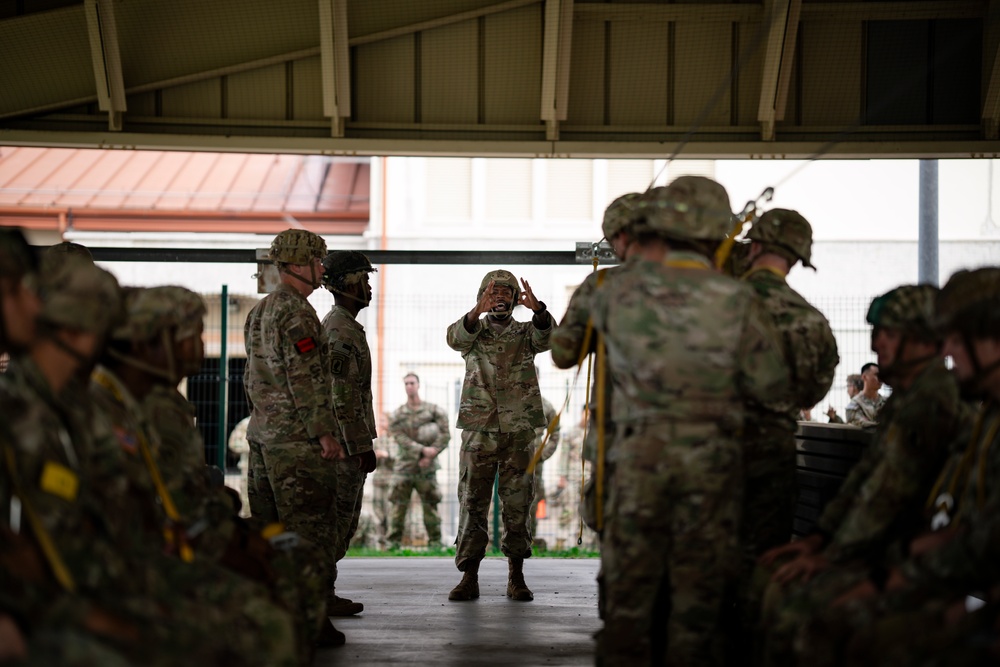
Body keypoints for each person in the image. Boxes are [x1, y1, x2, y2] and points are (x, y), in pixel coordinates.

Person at [590, 176, 789, 666]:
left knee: (629, 600)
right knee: (697, 603)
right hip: (711, 466)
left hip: (636, 461)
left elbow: (565, 350)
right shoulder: (736, 299)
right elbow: (772, 389)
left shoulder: (615, 291)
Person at [756, 284, 968, 666]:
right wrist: (819, 539)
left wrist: (831, 556)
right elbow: (864, 481)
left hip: (913, 563)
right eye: (877, 334)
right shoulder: (908, 396)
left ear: (922, 340)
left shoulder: (931, 401)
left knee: (799, 610)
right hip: (886, 552)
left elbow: (885, 496)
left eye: (889, 334)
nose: (877, 346)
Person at [244, 229, 346, 625]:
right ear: (298, 264)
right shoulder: (298, 312)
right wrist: (323, 433)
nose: (322, 269)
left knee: (271, 536)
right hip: (297, 446)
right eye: (318, 261)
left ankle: (276, 618)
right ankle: (313, 622)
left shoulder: (261, 309)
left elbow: (252, 380)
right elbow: (305, 378)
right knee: (310, 534)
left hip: (263, 439)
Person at [551, 192, 640, 618]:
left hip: (625, 453)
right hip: (706, 456)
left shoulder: (604, 287)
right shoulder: (717, 286)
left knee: (626, 571)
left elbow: (563, 353)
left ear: (620, 237)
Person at [446, 269, 553, 602]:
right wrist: (476, 311)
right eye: (493, 293)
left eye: (506, 292)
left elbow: (548, 339)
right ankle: (469, 576)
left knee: (518, 504)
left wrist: (539, 311)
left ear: (514, 299)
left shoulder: (525, 332)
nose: (500, 298)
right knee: (472, 503)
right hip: (480, 430)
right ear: (483, 296)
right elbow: (454, 339)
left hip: (518, 431)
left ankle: (516, 575)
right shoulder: (472, 331)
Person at [320, 249, 378, 616]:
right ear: (348, 284)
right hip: (343, 449)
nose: (369, 288)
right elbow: (341, 396)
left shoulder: (345, 326)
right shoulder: (340, 330)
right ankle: (319, 597)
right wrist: (359, 446)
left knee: (340, 525)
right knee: (334, 525)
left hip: (345, 445)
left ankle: (324, 593)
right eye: (364, 280)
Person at [387, 373, 450, 549]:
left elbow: (446, 434)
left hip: (427, 468)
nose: (409, 386)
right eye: (406, 383)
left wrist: (432, 453)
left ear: (418, 385)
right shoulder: (398, 414)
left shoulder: (433, 410)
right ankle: (393, 544)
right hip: (404, 467)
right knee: (398, 507)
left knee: (430, 506)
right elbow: (399, 437)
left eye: (412, 383)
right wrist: (421, 451)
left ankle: (436, 543)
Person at [528, 393, 561, 545]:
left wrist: (542, 455)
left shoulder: (545, 405)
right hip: (509, 457)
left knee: (532, 498)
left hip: (534, 462)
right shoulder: (509, 400)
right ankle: (502, 539)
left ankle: (529, 538)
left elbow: (555, 433)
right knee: (504, 499)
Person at [845, 362, 885, 427]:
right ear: (864, 377)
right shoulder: (855, 405)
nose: (881, 379)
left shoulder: (886, 402)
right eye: (876, 375)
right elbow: (861, 424)